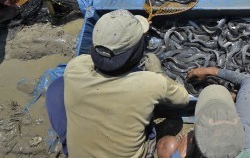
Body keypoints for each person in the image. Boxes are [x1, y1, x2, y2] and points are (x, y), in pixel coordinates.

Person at [45, 9, 189, 157]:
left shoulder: (75, 67)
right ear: (137, 53)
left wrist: (129, 42)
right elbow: (183, 98)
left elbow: (106, 58)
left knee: (56, 87)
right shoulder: (151, 83)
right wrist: (157, 73)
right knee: (169, 145)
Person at [157, 67, 250, 158]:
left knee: (165, 146)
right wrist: (210, 70)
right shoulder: (248, 130)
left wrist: (178, 155)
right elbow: (249, 81)